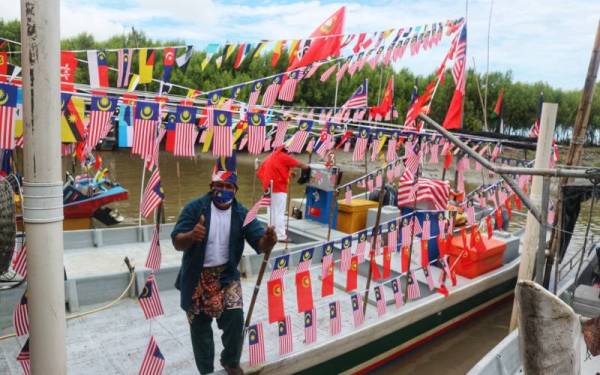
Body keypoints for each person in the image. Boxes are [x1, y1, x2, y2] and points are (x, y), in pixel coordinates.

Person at [171, 155, 277, 375]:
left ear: (235, 189)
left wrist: (268, 240)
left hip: (226, 276)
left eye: (228, 186)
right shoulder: (194, 209)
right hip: (196, 277)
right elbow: (176, 241)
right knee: (200, 331)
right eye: (219, 185)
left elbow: (260, 243)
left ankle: (230, 361)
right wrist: (191, 235)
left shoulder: (243, 214)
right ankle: (206, 371)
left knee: (235, 320)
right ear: (212, 186)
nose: (223, 190)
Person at [257, 146, 309, 242]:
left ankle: (270, 233)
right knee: (279, 212)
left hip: (268, 187)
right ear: (287, 151)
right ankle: (281, 236)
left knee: (271, 212)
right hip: (278, 188)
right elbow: (301, 165)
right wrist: (309, 168)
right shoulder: (283, 156)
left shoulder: (272, 155)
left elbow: (272, 169)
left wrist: (288, 174)